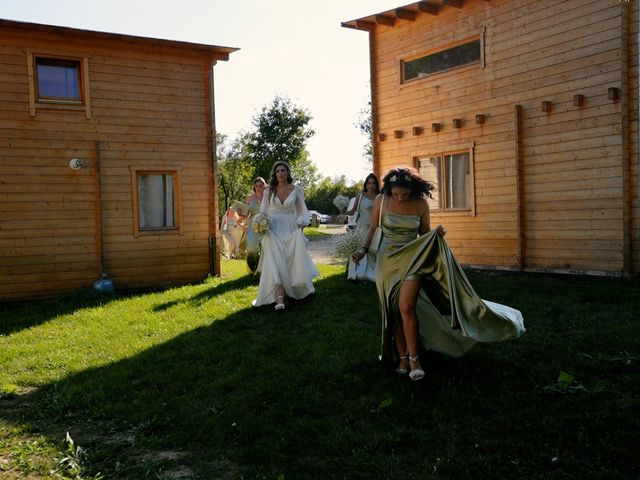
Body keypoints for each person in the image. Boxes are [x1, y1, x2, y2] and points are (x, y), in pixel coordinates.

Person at [353, 167, 524, 381]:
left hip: (412, 258)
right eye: (396, 193)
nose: (400, 197)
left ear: (412, 190)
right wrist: (363, 250)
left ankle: (415, 359)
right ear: (389, 189)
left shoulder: (421, 204)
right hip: (386, 260)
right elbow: (372, 229)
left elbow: (424, 236)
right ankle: (402, 357)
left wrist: (436, 235)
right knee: (393, 310)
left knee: (407, 307)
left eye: (404, 194)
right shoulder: (381, 200)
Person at [253, 161, 319, 311]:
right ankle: (279, 299)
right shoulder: (268, 191)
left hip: (291, 228)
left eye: (283, 170)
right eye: (278, 171)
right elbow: (263, 211)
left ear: (287, 173)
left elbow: (303, 211)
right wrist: (261, 223)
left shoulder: (296, 189)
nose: (281, 173)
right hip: (273, 229)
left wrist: (301, 222)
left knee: (290, 260)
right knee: (275, 261)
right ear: (275, 174)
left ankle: (291, 293)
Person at [345, 173, 380, 282]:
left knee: (373, 249)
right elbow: (352, 211)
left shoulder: (380, 196)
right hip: (361, 225)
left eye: (373, 183)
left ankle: (372, 274)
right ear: (366, 184)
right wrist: (342, 210)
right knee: (359, 247)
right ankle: (355, 274)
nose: (371, 185)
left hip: (375, 226)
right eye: (369, 183)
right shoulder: (360, 196)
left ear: (376, 185)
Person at [245, 177, 267, 273]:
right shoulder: (249, 198)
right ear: (254, 186)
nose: (258, 188)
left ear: (264, 186)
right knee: (251, 248)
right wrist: (240, 212)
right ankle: (252, 268)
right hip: (252, 226)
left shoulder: (268, 197)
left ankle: (261, 271)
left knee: (265, 248)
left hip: (265, 225)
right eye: (256, 186)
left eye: (260, 186)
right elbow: (246, 214)